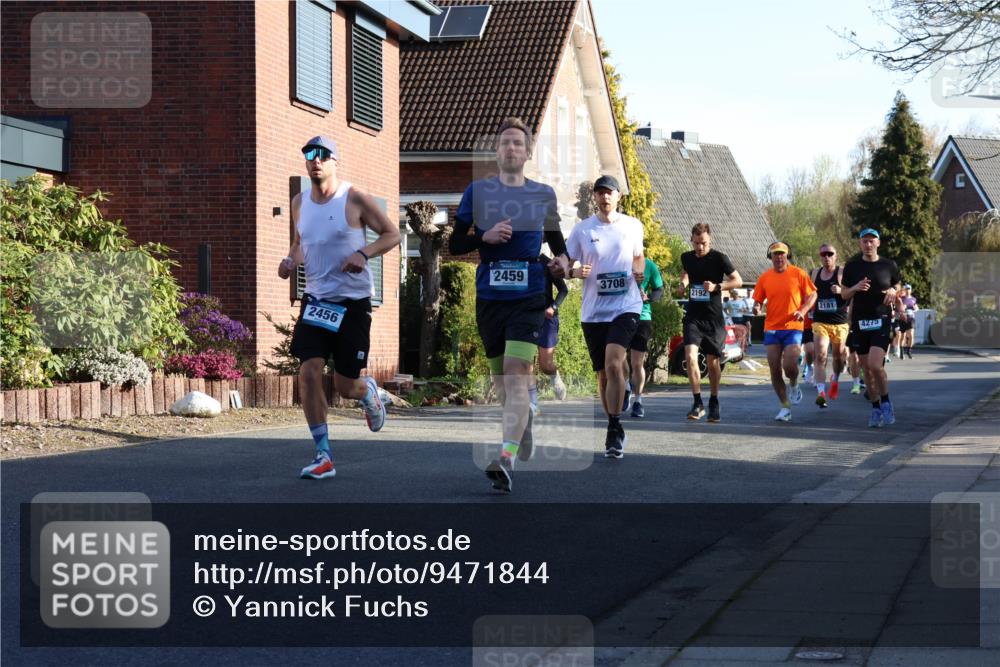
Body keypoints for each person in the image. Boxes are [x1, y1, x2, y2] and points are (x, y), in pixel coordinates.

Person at [449, 117, 569, 493]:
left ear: (528, 152)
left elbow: (558, 243)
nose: (511, 149)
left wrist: (562, 262)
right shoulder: (477, 193)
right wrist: (483, 236)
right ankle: (524, 420)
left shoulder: (543, 194)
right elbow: (453, 244)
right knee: (504, 385)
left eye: (518, 143)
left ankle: (505, 457)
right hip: (490, 298)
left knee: (517, 372)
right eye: (505, 144)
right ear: (496, 152)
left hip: (530, 295)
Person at [279, 136, 399, 480]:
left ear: (335, 162)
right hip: (316, 300)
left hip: (352, 304)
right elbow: (301, 243)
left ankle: (369, 392)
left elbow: (391, 234)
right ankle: (323, 454)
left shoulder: (355, 198)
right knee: (309, 372)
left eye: (322, 155)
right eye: (308, 155)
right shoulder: (299, 202)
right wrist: (290, 261)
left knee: (346, 385)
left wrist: (363, 254)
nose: (314, 160)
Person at [565, 175, 644, 458]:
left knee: (613, 362)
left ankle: (613, 427)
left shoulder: (633, 226)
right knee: (603, 374)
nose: (604, 197)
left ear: (619, 196)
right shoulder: (582, 230)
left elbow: (639, 256)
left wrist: (640, 271)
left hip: (626, 306)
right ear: (595, 198)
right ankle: (614, 418)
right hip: (594, 311)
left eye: (609, 193)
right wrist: (573, 272)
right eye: (600, 193)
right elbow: (564, 262)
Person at [836, 228, 902, 428]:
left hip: (881, 319)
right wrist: (855, 288)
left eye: (872, 241)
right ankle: (875, 408)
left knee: (875, 365)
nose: (868, 244)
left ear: (878, 243)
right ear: (860, 244)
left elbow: (898, 286)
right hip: (859, 322)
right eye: (865, 241)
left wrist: (893, 290)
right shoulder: (852, 267)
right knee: (866, 369)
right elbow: (844, 295)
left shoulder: (888, 265)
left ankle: (887, 402)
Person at [678, 223, 743, 422]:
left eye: (704, 243)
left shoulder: (719, 258)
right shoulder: (686, 257)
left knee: (713, 362)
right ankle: (697, 402)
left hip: (713, 319)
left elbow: (738, 281)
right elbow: (686, 272)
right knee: (690, 356)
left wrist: (717, 286)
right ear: (692, 240)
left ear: (710, 240)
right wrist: (683, 283)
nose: (700, 247)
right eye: (697, 243)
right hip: (693, 317)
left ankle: (714, 400)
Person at [752, 242, 817, 422]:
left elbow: (813, 295)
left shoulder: (798, 274)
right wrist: (756, 307)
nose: (779, 257)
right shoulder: (765, 278)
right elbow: (757, 300)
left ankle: (794, 384)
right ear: (770, 257)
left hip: (793, 327)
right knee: (774, 368)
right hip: (772, 327)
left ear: (787, 255)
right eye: (775, 254)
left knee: (789, 366)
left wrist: (803, 311)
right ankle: (785, 407)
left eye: (782, 254)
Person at [810, 243, 850, 407]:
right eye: (823, 254)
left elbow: (853, 292)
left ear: (836, 256)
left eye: (830, 254)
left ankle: (835, 377)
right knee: (820, 354)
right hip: (820, 321)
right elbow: (807, 293)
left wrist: (841, 291)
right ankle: (821, 392)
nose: (826, 257)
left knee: (839, 357)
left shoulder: (842, 273)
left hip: (840, 322)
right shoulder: (814, 274)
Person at [624, 257, 665, 418]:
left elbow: (659, 289)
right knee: (617, 358)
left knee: (636, 362)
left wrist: (649, 297)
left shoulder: (650, 266)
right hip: (621, 315)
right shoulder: (619, 262)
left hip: (642, 317)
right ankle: (627, 386)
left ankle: (638, 401)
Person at [529, 252, 569, 413]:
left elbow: (563, 290)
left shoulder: (547, 263)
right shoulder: (518, 259)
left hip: (547, 317)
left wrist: (553, 307)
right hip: (526, 317)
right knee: (525, 362)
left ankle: (555, 377)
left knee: (545, 365)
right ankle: (532, 403)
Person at [899, 284, 918, 358]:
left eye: (909, 289)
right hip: (903, 319)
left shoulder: (913, 299)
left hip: (911, 318)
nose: (907, 290)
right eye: (906, 289)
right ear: (905, 290)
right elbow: (899, 308)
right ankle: (901, 351)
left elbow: (916, 308)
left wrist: (915, 309)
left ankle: (909, 351)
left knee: (911, 335)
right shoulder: (901, 298)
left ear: (911, 290)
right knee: (903, 336)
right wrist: (903, 308)